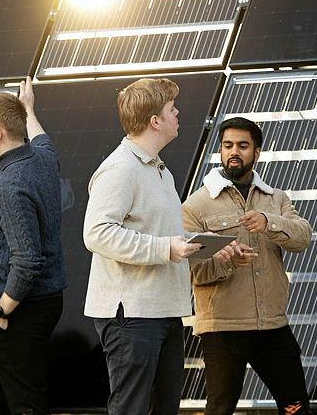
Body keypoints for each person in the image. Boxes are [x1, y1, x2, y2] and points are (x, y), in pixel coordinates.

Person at [83, 78, 203, 415]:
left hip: (164, 311)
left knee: (163, 409)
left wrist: (204, 249)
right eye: (171, 109)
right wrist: (165, 249)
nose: (177, 112)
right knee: (131, 410)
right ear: (155, 121)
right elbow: (97, 233)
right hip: (132, 317)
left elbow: (162, 235)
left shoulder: (160, 172)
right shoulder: (120, 169)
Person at [182, 117, 313, 415]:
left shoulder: (276, 198)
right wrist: (227, 260)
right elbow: (193, 271)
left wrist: (270, 222)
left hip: (272, 324)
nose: (234, 152)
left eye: (243, 146)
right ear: (220, 150)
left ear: (257, 152)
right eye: (228, 145)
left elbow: (303, 238)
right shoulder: (195, 206)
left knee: (295, 406)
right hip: (223, 327)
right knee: (220, 408)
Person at [0, 77, 67, 415]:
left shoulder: (9, 188)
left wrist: (2, 311)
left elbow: (26, 262)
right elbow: (43, 141)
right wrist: (28, 110)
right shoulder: (41, 158)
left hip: (21, 309)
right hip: (41, 303)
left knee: (25, 404)